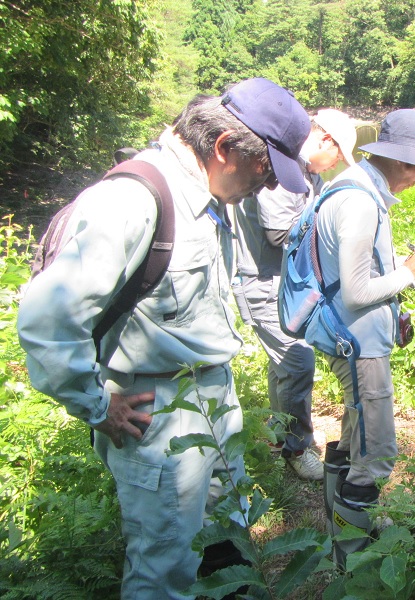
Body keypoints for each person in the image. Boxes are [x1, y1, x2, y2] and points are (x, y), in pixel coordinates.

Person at [16, 78, 311, 599]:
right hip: (158, 417)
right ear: (224, 148)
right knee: (165, 569)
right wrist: (95, 404)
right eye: (266, 171)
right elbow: (47, 320)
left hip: (212, 399)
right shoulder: (133, 201)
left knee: (226, 540)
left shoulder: (210, 195)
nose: (265, 189)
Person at [315, 109, 415, 566]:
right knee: (376, 454)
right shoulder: (359, 202)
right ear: (395, 159)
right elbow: (356, 294)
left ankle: (336, 521)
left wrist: (397, 268)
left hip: (344, 336)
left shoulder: (351, 185)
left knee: (355, 436)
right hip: (359, 342)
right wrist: (407, 275)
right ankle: (352, 559)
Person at [232, 109, 357, 481]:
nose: (335, 164)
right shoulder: (283, 170)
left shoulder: (308, 173)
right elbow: (278, 234)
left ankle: (279, 431)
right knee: (297, 363)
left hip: (286, 281)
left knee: (284, 365)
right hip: (263, 281)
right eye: (337, 155)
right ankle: (296, 448)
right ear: (324, 140)